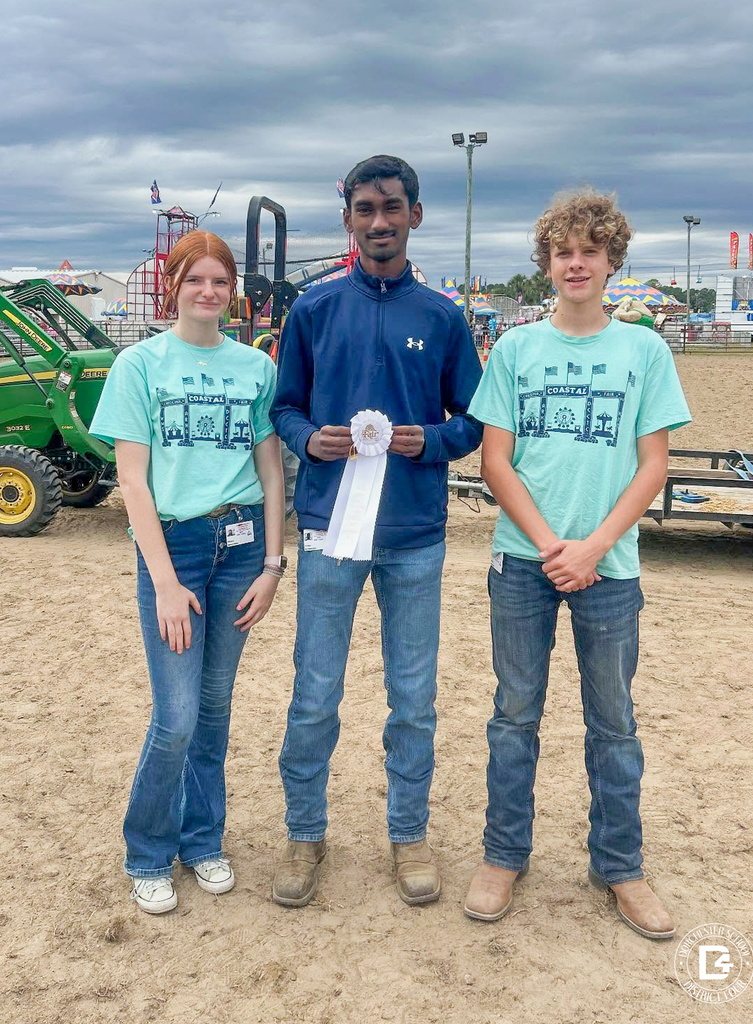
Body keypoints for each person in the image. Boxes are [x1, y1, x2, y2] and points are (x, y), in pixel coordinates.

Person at [463, 188, 691, 939]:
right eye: (562, 252)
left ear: (611, 261)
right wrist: (549, 544)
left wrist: (592, 546)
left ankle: (620, 865)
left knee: (613, 724)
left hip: (610, 567)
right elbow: (496, 460)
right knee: (513, 717)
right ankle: (503, 856)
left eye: (589, 252)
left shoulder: (642, 350)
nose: (575, 264)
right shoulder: (518, 349)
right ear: (545, 263)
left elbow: (652, 464)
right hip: (523, 563)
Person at [271, 154, 483, 908]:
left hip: (416, 538)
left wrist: (429, 440)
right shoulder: (313, 310)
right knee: (314, 694)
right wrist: (306, 441)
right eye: (365, 208)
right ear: (349, 220)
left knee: (413, 699)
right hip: (329, 533)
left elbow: (473, 423)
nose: (379, 221)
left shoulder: (443, 317)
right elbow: (283, 407)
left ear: (414, 215)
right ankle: (304, 834)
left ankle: (408, 833)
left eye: (392, 206)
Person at [90, 231, 284, 914]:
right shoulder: (139, 366)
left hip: (240, 550)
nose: (208, 292)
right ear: (172, 286)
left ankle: (202, 840)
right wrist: (165, 581)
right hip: (176, 549)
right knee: (173, 716)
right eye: (195, 279)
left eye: (220, 281)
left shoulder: (255, 368)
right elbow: (133, 482)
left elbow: (268, 466)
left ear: (234, 292)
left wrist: (272, 561)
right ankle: (147, 850)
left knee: (213, 710)